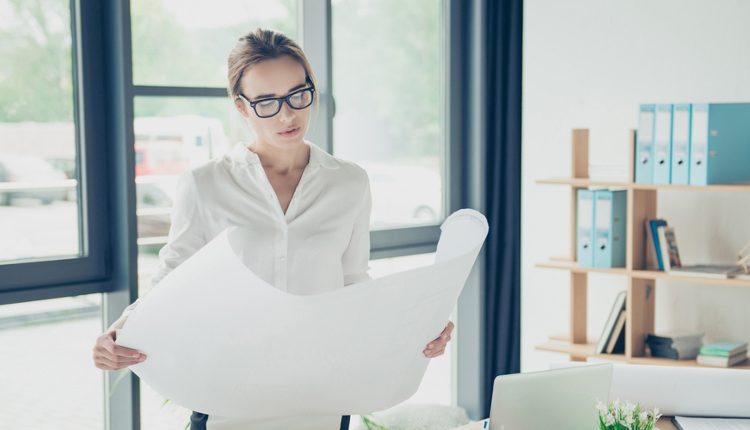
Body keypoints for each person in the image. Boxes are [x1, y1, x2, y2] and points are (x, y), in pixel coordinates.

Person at [92, 28, 454, 430]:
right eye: (266, 102)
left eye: (298, 95)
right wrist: (120, 331)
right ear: (241, 107)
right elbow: (170, 278)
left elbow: (355, 283)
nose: (288, 115)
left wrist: (419, 324)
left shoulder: (349, 182)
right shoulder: (206, 184)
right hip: (228, 394)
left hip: (323, 394)